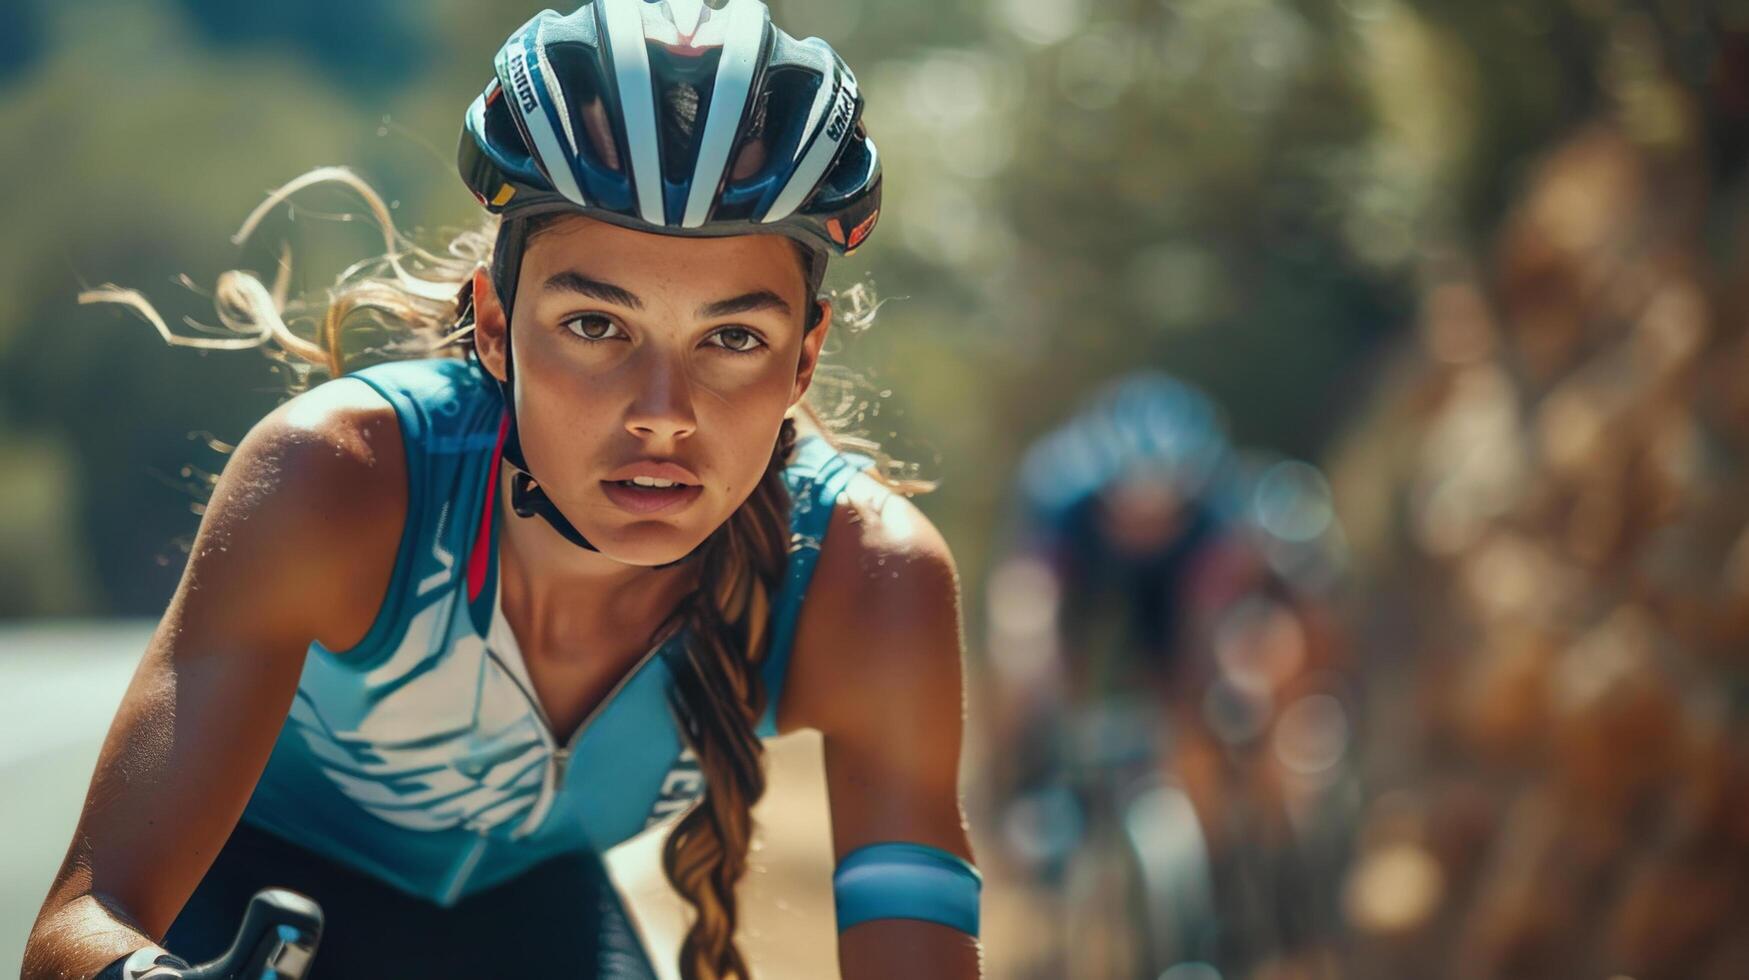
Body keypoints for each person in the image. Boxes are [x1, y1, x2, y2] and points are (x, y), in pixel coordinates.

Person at [22, 2, 981, 978]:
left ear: (805, 357)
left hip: (537, 922)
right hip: (248, 909)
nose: (662, 412)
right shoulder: (337, 483)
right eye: (595, 325)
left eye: (733, 338)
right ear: (492, 323)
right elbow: (79, 922)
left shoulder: (868, 580)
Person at [985, 371, 1348, 977]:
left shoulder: (1216, 515)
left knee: (1217, 715)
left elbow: (1212, 624)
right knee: (1022, 663)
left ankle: (1225, 897)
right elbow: (1031, 600)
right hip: (1084, 595)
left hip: (1178, 602)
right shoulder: (1061, 495)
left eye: (1163, 513)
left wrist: (1222, 699)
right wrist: (1035, 689)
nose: (1146, 525)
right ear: (1104, 490)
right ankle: (1021, 802)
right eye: (1131, 513)